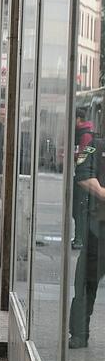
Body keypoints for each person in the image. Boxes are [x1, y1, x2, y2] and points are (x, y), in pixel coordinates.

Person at [68, 137, 105, 349]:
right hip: (98, 231)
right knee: (84, 283)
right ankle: (79, 333)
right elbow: (82, 176)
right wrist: (100, 192)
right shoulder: (96, 147)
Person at [72, 108, 96, 250]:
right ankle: (79, 237)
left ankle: (80, 239)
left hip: (84, 177)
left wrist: (71, 156)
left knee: (79, 209)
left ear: (78, 119)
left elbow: (82, 156)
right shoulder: (83, 133)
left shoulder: (85, 135)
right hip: (83, 175)